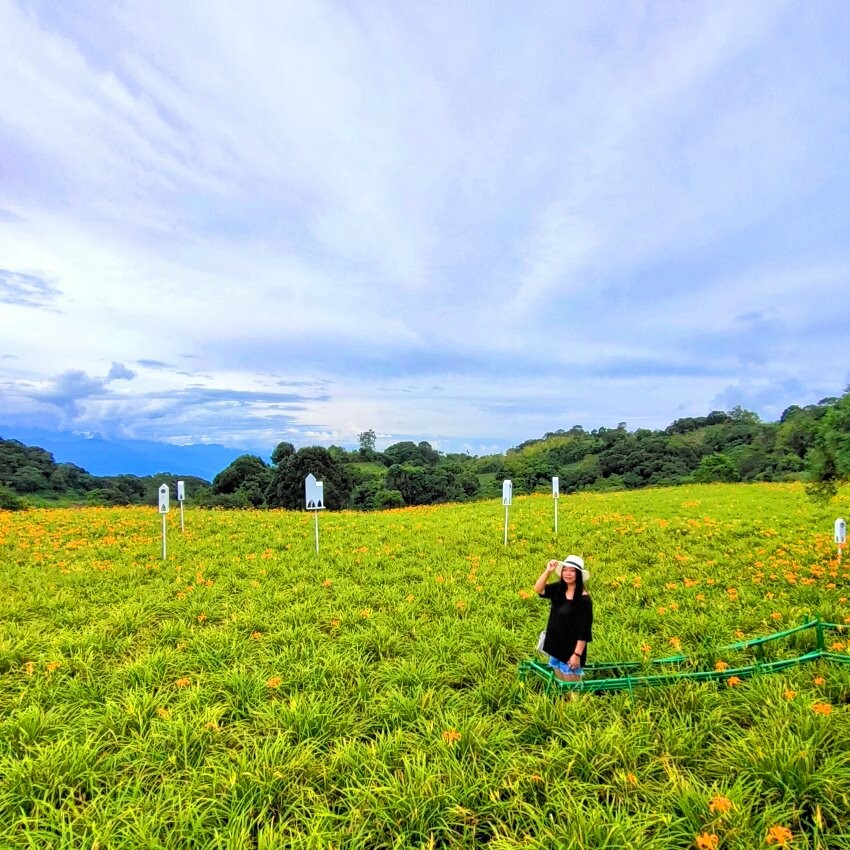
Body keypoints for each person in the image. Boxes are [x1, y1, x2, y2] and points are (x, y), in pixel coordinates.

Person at [533, 555, 593, 681]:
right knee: (561, 685)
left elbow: (584, 631)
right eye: (565, 570)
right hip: (555, 646)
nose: (567, 573)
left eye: (572, 571)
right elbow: (538, 589)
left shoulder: (584, 599)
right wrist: (548, 571)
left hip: (571, 650)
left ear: (578, 574)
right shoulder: (559, 588)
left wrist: (577, 655)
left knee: (572, 689)